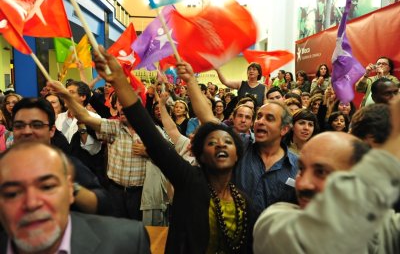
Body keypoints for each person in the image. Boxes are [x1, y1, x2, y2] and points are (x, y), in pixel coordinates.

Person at [93, 46, 254, 253]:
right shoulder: (188, 180)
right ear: (200, 155)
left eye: (227, 142)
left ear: (237, 154)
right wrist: (119, 81)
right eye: (212, 143)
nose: (221, 144)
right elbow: (147, 130)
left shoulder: (244, 202)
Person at [177, 61, 298, 217]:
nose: (260, 121)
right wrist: (191, 81)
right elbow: (208, 117)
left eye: (269, 118)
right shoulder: (240, 144)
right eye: (259, 116)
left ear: (284, 129)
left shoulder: (297, 167)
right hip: (236, 238)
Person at [0, 141, 150, 254]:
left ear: (71, 191)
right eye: (12, 193)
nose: (31, 203)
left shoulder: (127, 242)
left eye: (47, 187)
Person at [253, 131, 375, 254]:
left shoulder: (380, 236)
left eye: (321, 172)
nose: (301, 184)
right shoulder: (275, 223)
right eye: (301, 169)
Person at [48, 82, 148, 220]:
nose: (123, 108)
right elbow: (85, 117)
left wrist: (149, 151)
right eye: (119, 103)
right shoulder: (114, 127)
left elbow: (168, 156)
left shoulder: (151, 132)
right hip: (115, 191)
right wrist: (67, 95)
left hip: (141, 193)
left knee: (140, 230)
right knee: (115, 229)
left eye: (127, 103)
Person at [11, 98, 112, 216]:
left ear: (52, 130)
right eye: (19, 125)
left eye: (37, 125)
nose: (27, 131)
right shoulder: (5, 167)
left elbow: (103, 205)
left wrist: (66, 185)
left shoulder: (67, 165)